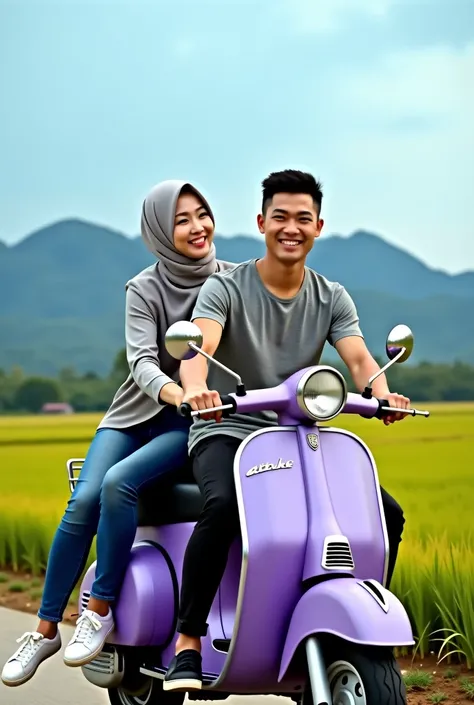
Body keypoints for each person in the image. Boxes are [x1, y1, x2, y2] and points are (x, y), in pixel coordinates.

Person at [162, 169, 409, 692]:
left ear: (319, 226)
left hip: (298, 434)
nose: (291, 228)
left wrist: (382, 393)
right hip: (226, 429)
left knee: (385, 513)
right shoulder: (224, 288)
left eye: (303, 218)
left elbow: (360, 358)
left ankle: (346, 629)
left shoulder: (331, 296)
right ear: (261, 222)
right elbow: (196, 352)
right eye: (280, 217)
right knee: (225, 507)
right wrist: (198, 390)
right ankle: (187, 640)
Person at [1, 180, 234, 688]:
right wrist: (176, 392)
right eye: (182, 219)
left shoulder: (234, 280)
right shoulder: (143, 288)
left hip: (188, 424)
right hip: (135, 413)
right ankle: (44, 630)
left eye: (203, 214)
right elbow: (142, 362)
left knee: (118, 485)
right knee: (83, 499)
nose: (198, 227)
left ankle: (99, 609)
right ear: (158, 231)